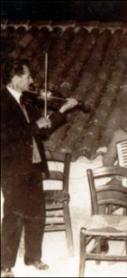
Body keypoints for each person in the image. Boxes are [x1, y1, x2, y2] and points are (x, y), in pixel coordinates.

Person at [1, 59, 78, 278]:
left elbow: (43, 128)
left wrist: (63, 109)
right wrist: (34, 126)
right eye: (27, 76)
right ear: (15, 79)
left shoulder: (25, 102)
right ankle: (4, 265)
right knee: (13, 215)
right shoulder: (3, 103)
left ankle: (33, 257)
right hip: (13, 168)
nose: (32, 80)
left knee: (37, 213)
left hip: (33, 166)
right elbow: (6, 136)